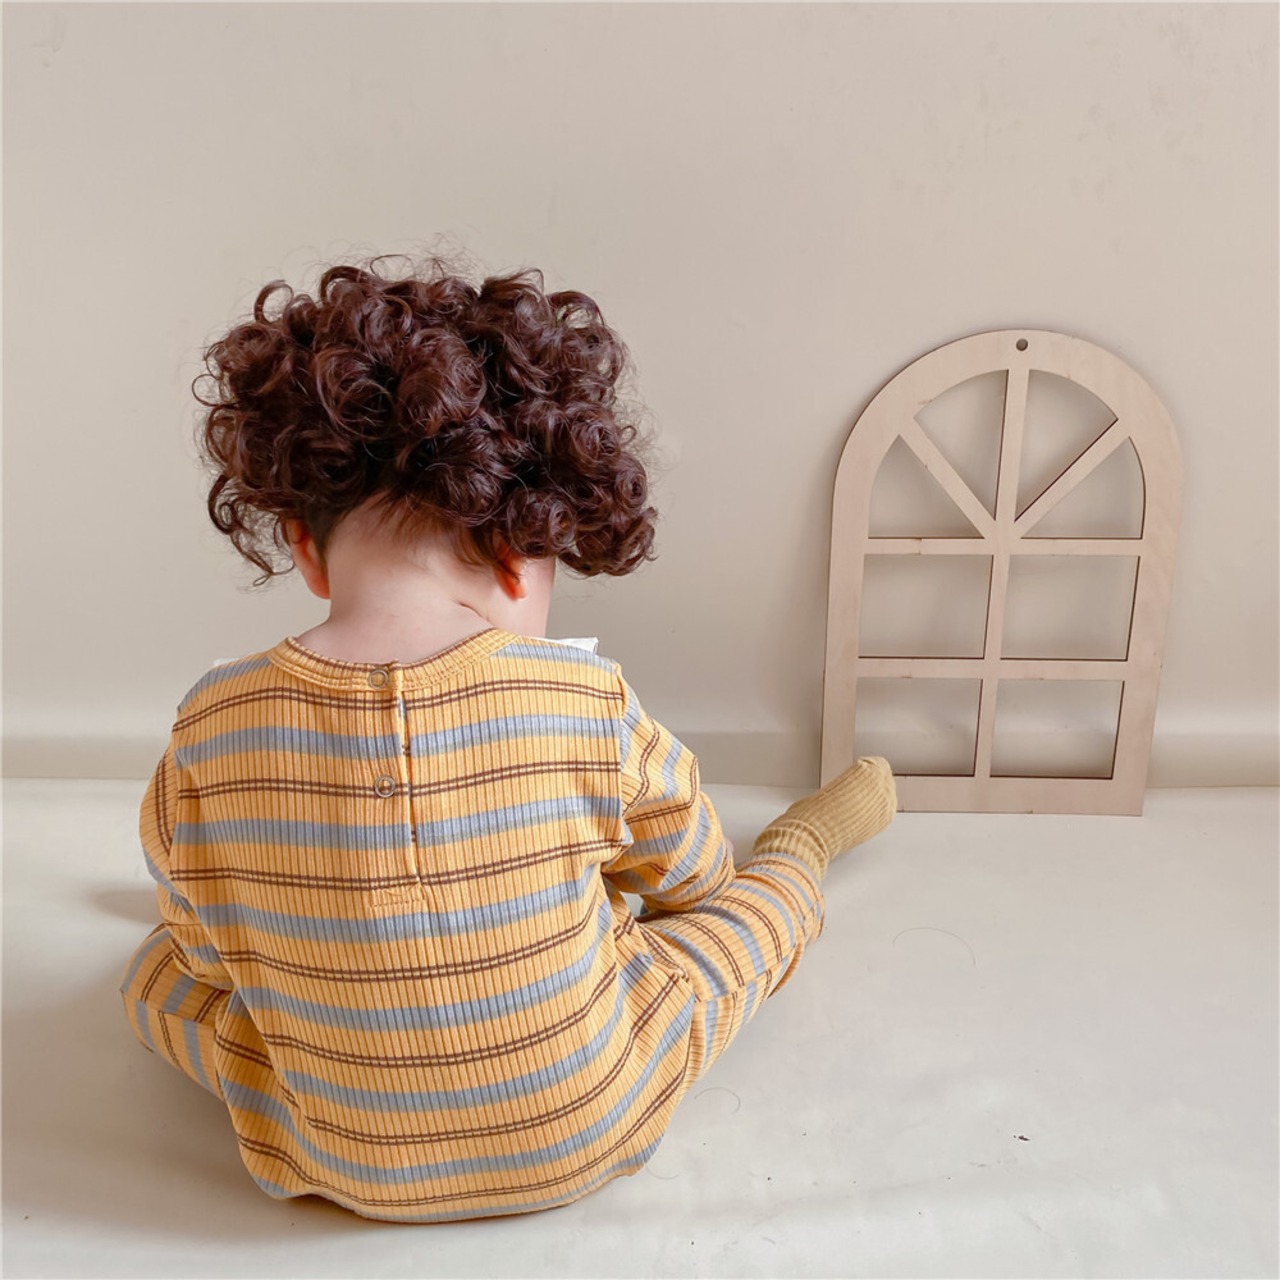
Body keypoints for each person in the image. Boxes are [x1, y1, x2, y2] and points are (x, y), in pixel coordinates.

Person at [118, 252, 897, 1223]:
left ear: (305, 549)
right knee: (735, 932)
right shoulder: (583, 698)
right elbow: (695, 876)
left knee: (150, 980)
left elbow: (203, 955)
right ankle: (804, 845)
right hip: (589, 1119)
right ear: (518, 550)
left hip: (339, 1150)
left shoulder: (208, 724)